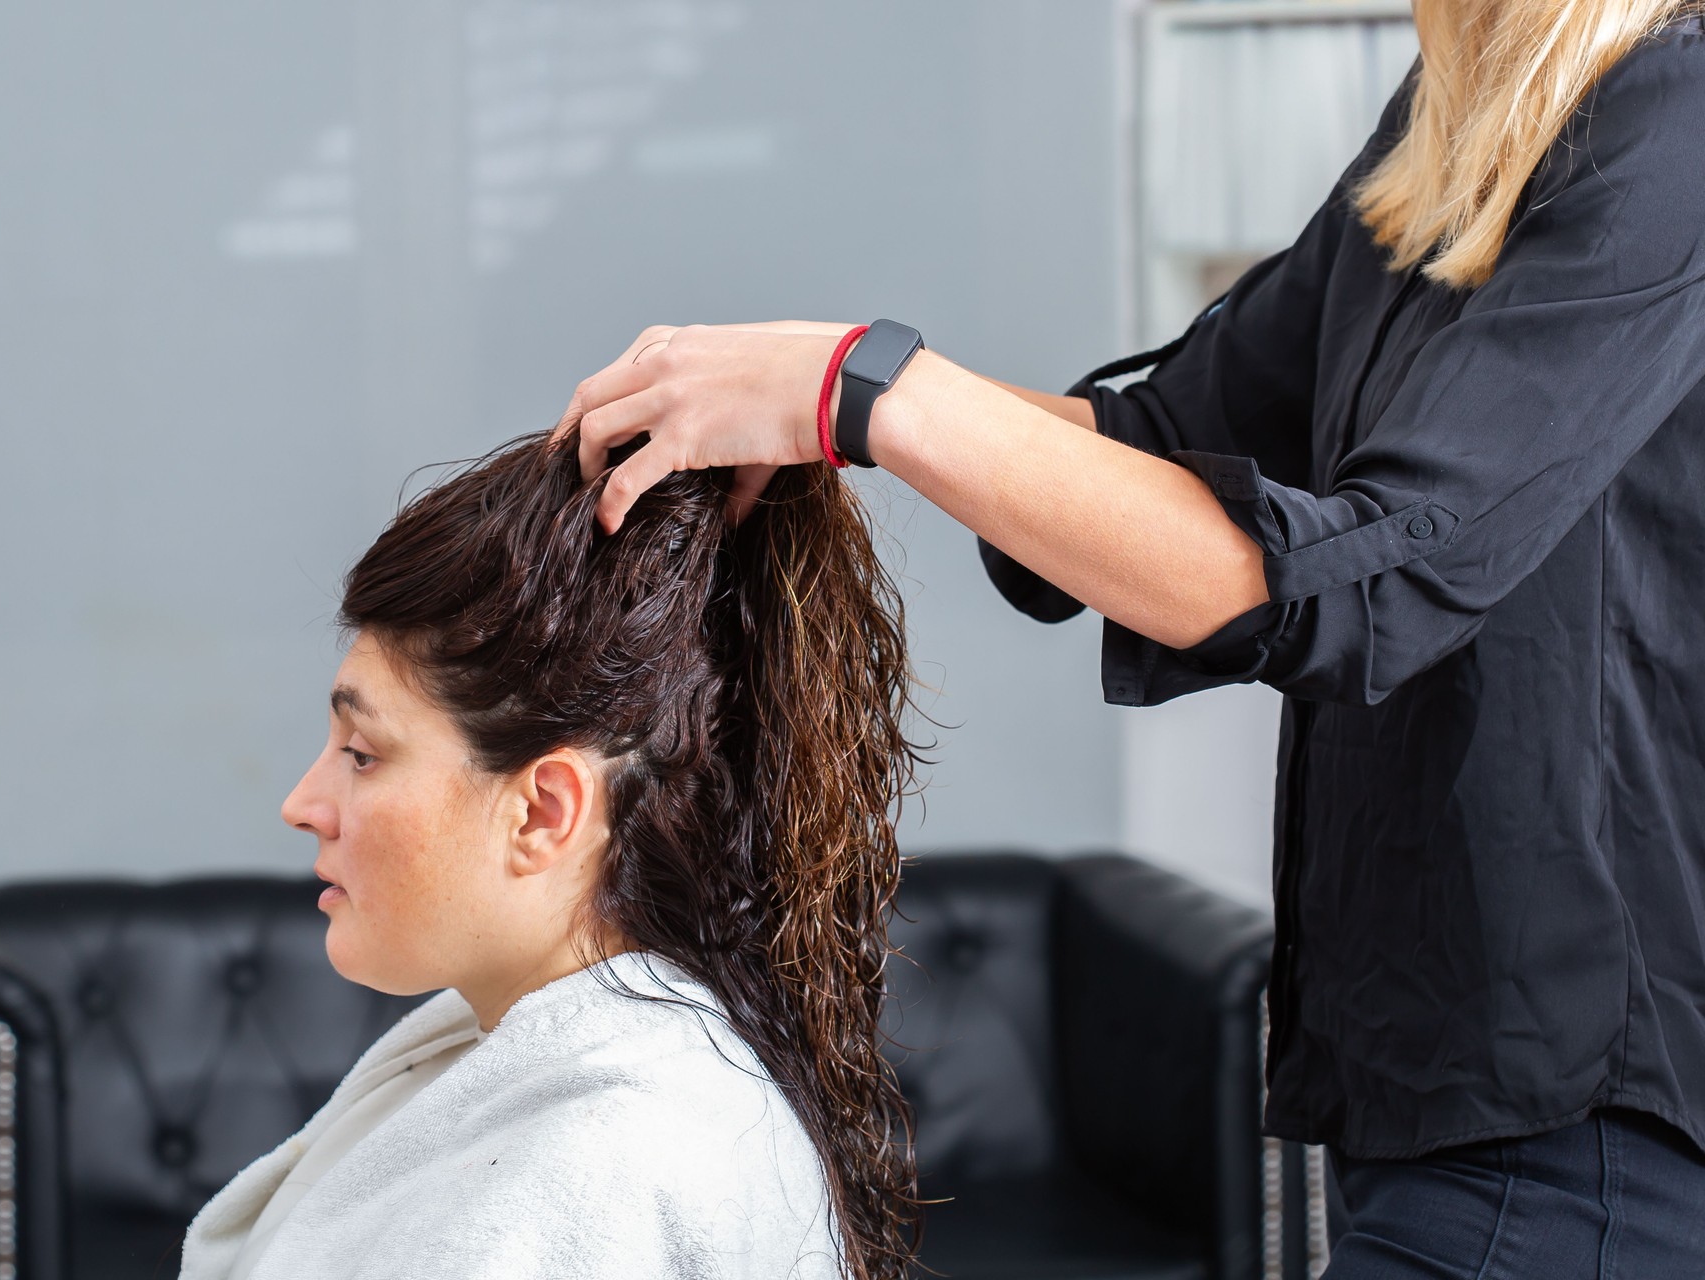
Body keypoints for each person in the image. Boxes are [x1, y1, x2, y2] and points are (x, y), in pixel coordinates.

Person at [559, 2, 1705, 1275]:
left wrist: (865, 389)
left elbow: (1367, 579)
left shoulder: (1673, 116)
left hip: (1582, 1126)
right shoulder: (1455, 126)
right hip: (1420, 1093)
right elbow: (1150, 439)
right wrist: (817, 396)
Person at [176, 433, 923, 1279]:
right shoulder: (592, 1075)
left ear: (542, 813)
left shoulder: (596, 1168)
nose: (302, 806)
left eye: (362, 753)